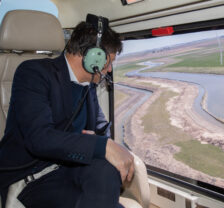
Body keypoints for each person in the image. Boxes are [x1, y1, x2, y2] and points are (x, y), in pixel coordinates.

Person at [0, 14, 134, 208]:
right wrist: (99, 145)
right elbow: (39, 138)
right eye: (109, 61)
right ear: (92, 56)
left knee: (106, 170)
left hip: (68, 170)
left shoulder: (89, 87)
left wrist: (103, 142)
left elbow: (100, 127)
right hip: (31, 177)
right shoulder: (33, 73)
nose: (110, 69)